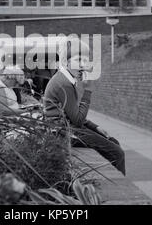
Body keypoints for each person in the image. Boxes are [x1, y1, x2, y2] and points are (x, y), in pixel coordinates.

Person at [43, 39, 126, 175]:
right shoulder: (63, 84)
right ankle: (122, 187)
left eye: (86, 60)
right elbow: (77, 120)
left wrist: (95, 127)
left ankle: (114, 177)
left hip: (69, 128)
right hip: (63, 132)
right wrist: (87, 91)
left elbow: (72, 113)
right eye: (78, 60)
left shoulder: (66, 79)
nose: (83, 65)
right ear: (66, 62)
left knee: (113, 142)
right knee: (117, 153)